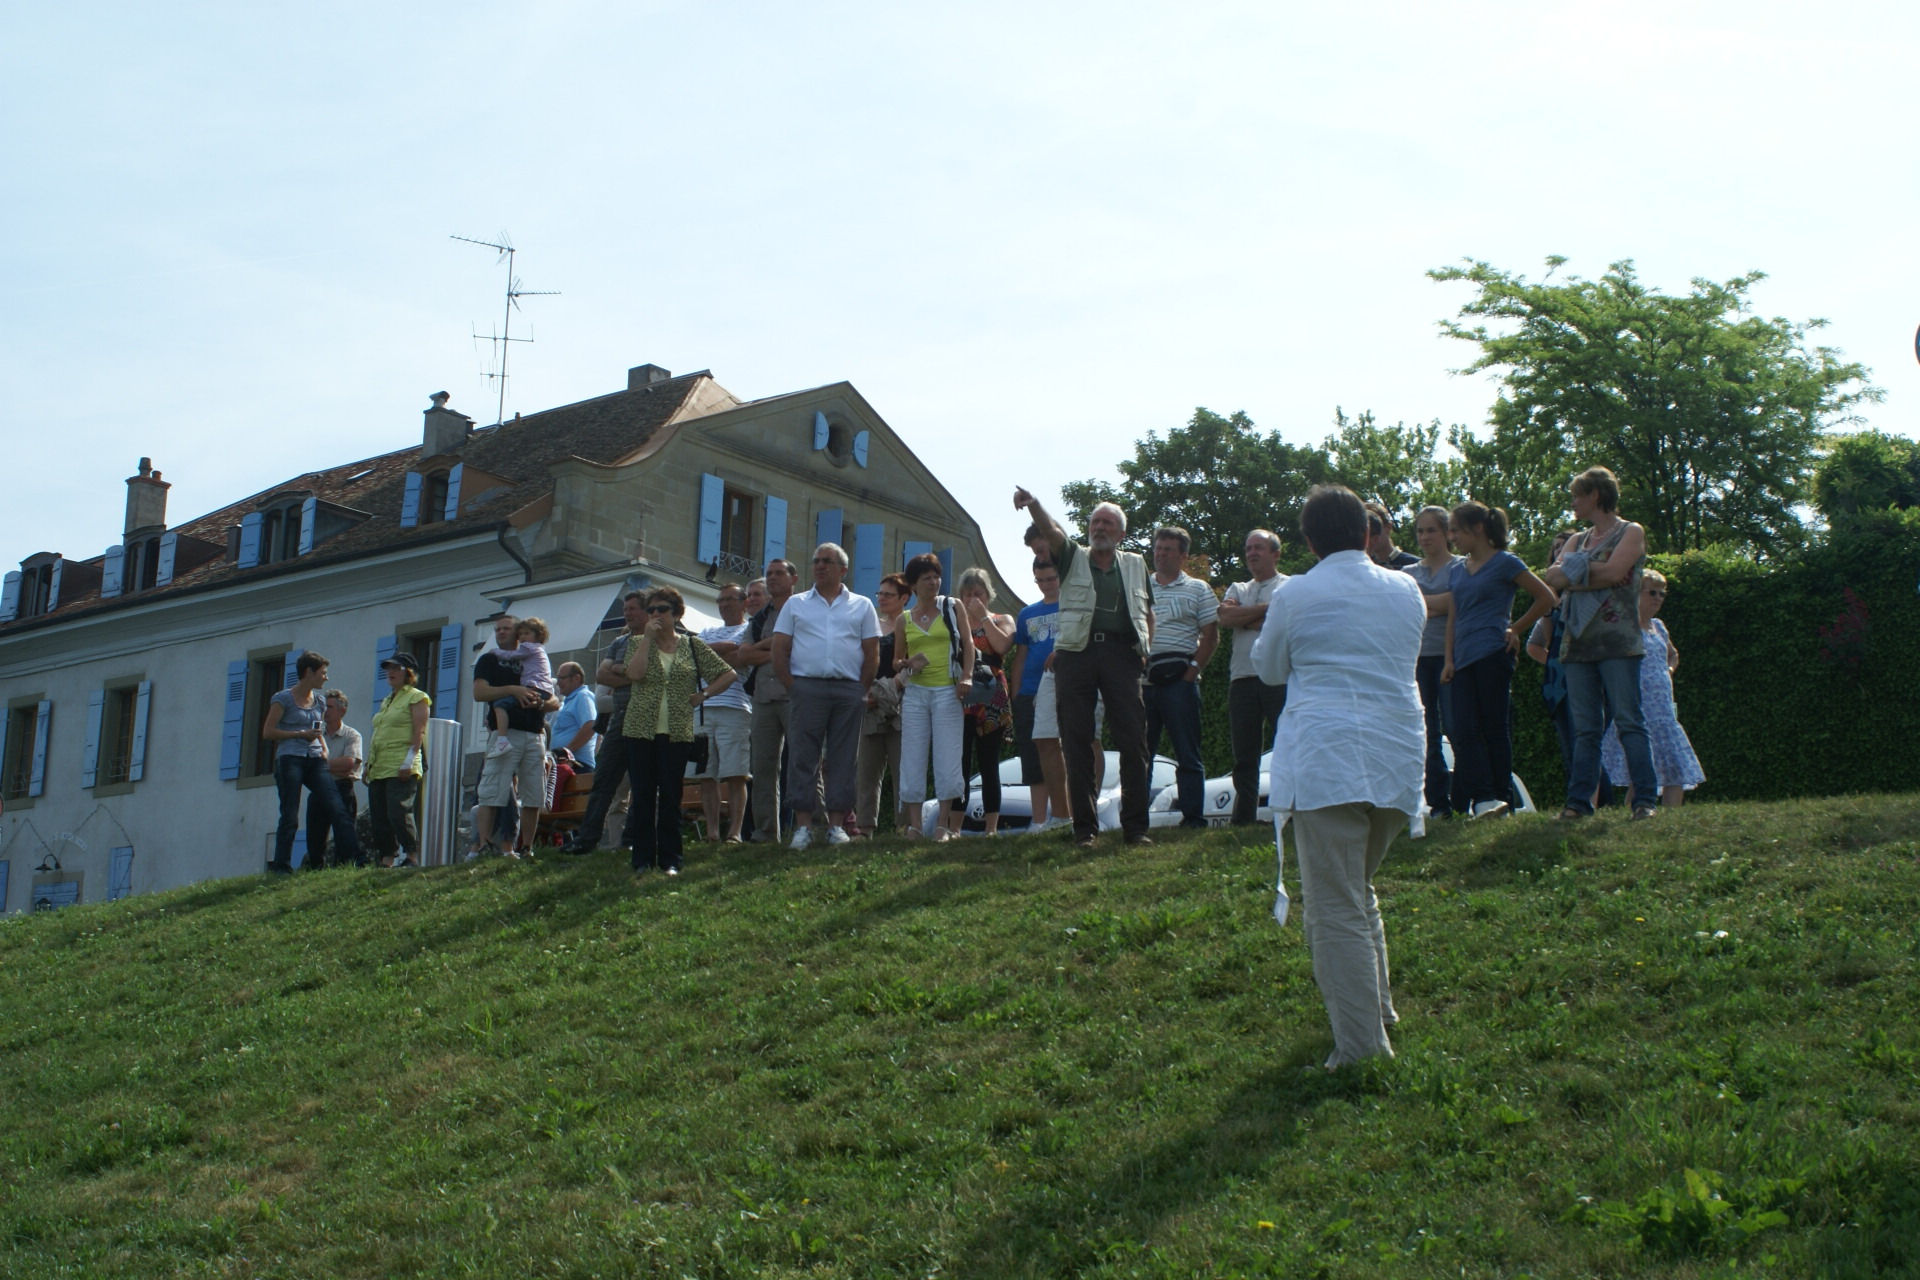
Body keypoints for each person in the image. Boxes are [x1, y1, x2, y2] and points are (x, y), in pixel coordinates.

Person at [1252, 484, 1425, 1068]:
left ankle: (1361, 1049)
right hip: (1397, 757)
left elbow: (1269, 668)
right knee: (1356, 890)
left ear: (1308, 541)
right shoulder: (1407, 588)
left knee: (1334, 906)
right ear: (1367, 533)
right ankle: (1380, 1013)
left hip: (1328, 760)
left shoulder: (1296, 593)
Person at [1014, 488, 1154, 848]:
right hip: (1076, 654)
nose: (1099, 527)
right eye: (1095, 522)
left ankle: (1136, 829)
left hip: (1122, 655)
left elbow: (1148, 613)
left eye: (1107, 523)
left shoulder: (1135, 564)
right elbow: (1052, 531)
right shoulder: (1072, 556)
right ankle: (1084, 830)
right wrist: (1034, 505)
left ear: (1121, 533)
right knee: (1075, 741)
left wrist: (1145, 652)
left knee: (1133, 741)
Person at [1539, 466, 1661, 821]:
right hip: (1578, 644)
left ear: (1595, 495)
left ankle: (1645, 801)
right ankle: (1578, 803)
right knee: (1586, 729)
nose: (1573, 503)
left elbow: (1613, 573)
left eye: (1577, 496)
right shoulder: (1577, 539)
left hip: (1619, 642)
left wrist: (1576, 574)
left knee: (1629, 721)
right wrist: (1590, 574)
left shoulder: (1630, 531)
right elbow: (1552, 576)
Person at [1440, 502, 1557, 819]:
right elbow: (1453, 617)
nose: (1452, 537)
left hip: (1493, 654)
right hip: (1462, 660)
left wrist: (1515, 628)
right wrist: (1448, 659)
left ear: (1477, 528)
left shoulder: (1505, 562)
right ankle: (1483, 798)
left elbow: (1546, 597)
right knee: (1463, 730)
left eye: (1456, 530)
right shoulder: (1457, 569)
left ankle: (1501, 797)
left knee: (1494, 727)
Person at [771, 543, 882, 849]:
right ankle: (803, 828)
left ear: (843, 569)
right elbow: (779, 648)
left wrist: (861, 689)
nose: (819, 566)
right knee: (802, 757)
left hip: (848, 689)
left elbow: (872, 652)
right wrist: (793, 686)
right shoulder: (796, 604)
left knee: (844, 759)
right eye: (816, 560)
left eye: (827, 561)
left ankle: (836, 826)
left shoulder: (862, 605)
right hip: (807, 688)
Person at [621, 586, 737, 876]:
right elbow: (634, 674)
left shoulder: (692, 646)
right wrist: (647, 639)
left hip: (677, 731)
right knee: (643, 796)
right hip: (639, 729)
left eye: (662, 609)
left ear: (676, 614)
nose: (656, 614)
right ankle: (642, 860)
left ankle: (671, 859)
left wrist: (704, 694)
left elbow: (728, 674)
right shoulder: (637, 643)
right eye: (651, 610)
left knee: (671, 797)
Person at [1524, 530, 1615, 809]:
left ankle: (1597, 805)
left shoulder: (1596, 593)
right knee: (1570, 748)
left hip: (1593, 676)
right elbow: (1540, 645)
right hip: (1560, 683)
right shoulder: (1552, 600)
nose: (1559, 552)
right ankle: (1581, 804)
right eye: (1556, 548)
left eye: (1565, 547)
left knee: (1585, 744)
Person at [891, 552, 976, 840]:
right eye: (926, 577)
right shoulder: (903, 620)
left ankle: (942, 825)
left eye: (936, 576)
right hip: (915, 694)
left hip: (947, 692)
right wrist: (904, 664)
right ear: (913, 584)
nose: (934, 582)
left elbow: (968, 644)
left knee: (948, 756)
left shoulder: (953, 607)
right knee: (912, 757)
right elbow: (896, 660)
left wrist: (966, 676)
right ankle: (914, 825)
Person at [1601, 569, 1703, 806]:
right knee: (1642, 766)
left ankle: (1670, 817)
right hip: (1639, 706)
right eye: (1652, 593)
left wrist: (1667, 671)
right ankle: (1638, 811)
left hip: (1664, 708)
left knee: (1674, 766)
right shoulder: (1624, 626)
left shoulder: (1659, 627)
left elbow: (1673, 654)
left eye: (1662, 593)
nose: (1658, 598)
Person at [558, 593, 646, 856]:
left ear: (646, 612)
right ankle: (587, 840)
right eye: (625, 609)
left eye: (632, 609)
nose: (627, 613)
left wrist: (621, 672)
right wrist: (634, 676)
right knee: (604, 780)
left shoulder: (656, 644)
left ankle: (632, 839)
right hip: (619, 719)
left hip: (646, 719)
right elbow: (601, 675)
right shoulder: (619, 642)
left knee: (642, 784)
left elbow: (651, 677)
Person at [1142, 526, 1219, 829]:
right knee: (1140, 755)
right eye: (1157, 548)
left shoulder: (1199, 589)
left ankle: (1194, 819)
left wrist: (1191, 674)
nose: (1160, 554)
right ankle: (1136, 820)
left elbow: (1211, 637)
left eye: (1168, 549)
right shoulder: (1140, 587)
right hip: (1144, 683)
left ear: (1183, 556)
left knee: (1188, 754)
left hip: (1181, 684)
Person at [263, 651, 362, 874]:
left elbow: (317, 731)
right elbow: (268, 732)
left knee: (337, 807)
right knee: (290, 814)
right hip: (290, 758)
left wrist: (324, 749)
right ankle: (281, 866)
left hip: (315, 759)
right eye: (323, 673)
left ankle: (357, 857)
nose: (326, 678)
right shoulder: (283, 698)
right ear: (309, 672)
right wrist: (299, 734)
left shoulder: (319, 701)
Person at [1217, 529, 1289, 826]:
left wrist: (1245, 617)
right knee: (1245, 755)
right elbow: (1225, 617)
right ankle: (1244, 818)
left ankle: (1289, 812)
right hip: (1242, 678)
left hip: (1278, 676)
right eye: (1248, 549)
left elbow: (1285, 620)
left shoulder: (1288, 586)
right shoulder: (1238, 587)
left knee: (1287, 748)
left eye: (1258, 547)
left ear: (1275, 554)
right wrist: (1266, 611)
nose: (1251, 553)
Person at [471, 614, 558, 856]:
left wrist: (542, 703)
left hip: (535, 733)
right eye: (497, 629)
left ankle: (527, 848)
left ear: (518, 632)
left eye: (506, 628)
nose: (500, 632)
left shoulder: (533, 655)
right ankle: (485, 847)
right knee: (491, 790)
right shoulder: (489, 659)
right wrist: (513, 690)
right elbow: (479, 693)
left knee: (534, 794)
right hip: (505, 733)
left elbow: (554, 701)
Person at [1402, 506, 1461, 820]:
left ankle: (1464, 797)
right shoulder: (1408, 573)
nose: (1424, 537)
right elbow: (1406, 608)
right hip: (1418, 658)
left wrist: (1425, 604)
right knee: (1426, 733)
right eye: (1420, 531)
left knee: (1459, 727)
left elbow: (1459, 602)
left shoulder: (1461, 567)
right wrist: (1441, 604)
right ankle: (1439, 803)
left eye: (1431, 530)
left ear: (1447, 533)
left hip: (1453, 656)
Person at [949, 567, 1017, 835]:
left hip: (992, 696)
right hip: (962, 695)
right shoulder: (955, 623)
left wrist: (984, 617)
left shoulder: (1002, 619)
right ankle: (955, 828)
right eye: (966, 594)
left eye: (977, 593)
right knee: (960, 763)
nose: (971, 599)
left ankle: (991, 828)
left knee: (989, 764)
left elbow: (1002, 647)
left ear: (988, 594)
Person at [738, 559, 802, 843]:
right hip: (763, 698)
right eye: (769, 574)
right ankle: (765, 832)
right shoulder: (760, 617)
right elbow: (743, 655)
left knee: (804, 764)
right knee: (762, 768)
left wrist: (762, 647)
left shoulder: (804, 610)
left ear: (794, 579)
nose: (773, 578)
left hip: (795, 696)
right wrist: (777, 647)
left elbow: (802, 648)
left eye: (779, 573)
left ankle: (811, 828)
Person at [1010, 558, 1070, 830]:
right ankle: (1038, 821)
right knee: (1034, 758)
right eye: (1040, 580)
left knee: (1066, 751)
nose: (1046, 585)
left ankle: (1067, 814)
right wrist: (1016, 693)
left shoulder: (1072, 606)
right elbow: (1020, 657)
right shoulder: (1027, 614)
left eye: (1051, 578)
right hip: (1030, 692)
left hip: (1066, 688)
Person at [696, 582, 755, 843]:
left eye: (730, 599)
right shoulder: (707, 630)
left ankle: (735, 832)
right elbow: (693, 658)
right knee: (705, 774)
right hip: (702, 710)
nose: (723, 604)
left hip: (736, 707)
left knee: (736, 773)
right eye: (720, 600)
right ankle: (712, 832)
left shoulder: (749, 629)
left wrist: (710, 654)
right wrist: (726, 648)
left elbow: (741, 658)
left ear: (744, 603)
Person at [366, 652, 432, 868]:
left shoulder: (417, 696)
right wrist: (368, 764)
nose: (390, 672)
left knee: (398, 810)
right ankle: (387, 858)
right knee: (379, 815)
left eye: (396, 668)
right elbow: (379, 733)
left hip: (401, 761)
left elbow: (419, 731)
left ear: (408, 672)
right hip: (380, 763)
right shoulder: (387, 700)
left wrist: (409, 761)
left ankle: (412, 854)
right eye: (389, 668)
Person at [855, 573, 909, 836]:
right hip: (870, 707)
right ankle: (865, 829)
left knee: (903, 772)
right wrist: (864, 694)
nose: (882, 598)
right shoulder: (871, 627)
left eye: (888, 594)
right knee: (866, 772)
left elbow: (913, 666)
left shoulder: (910, 626)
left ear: (904, 598)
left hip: (902, 707)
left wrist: (891, 689)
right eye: (880, 593)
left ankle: (904, 827)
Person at [307, 689, 364, 868]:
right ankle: (315, 870)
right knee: (315, 837)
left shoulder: (351, 735)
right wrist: (334, 765)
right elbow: (307, 764)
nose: (325, 711)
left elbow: (348, 763)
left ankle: (342, 868)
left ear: (342, 710)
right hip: (319, 789)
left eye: (330, 707)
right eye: (324, 707)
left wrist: (320, 765)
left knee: (343, 836)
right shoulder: (315, 735)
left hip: (341, 788)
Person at [485, 617, 553, 758]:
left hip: (534, 690)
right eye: (521, 634)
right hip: (543, 691)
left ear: (538, 635)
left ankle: (502, 741)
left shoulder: (528, 648)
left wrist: (495, 651)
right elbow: (479, 693)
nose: (523, 637)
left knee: (500, 705)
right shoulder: (539, 650)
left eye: (526, 633)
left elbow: (512, 655)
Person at [548, 661, 598, 773]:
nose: (558, 683)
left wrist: (566, 752)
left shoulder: (583, 696)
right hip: (568, 764)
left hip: (577, 766)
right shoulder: (571, 700)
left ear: (576, 678)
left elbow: (591, 725)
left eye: (561, 678)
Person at [1367, 504, 1420, 570]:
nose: (1368, 535)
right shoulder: (1363, 566)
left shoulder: (1415, 565)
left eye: (1373, 529)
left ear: (1388, 527)